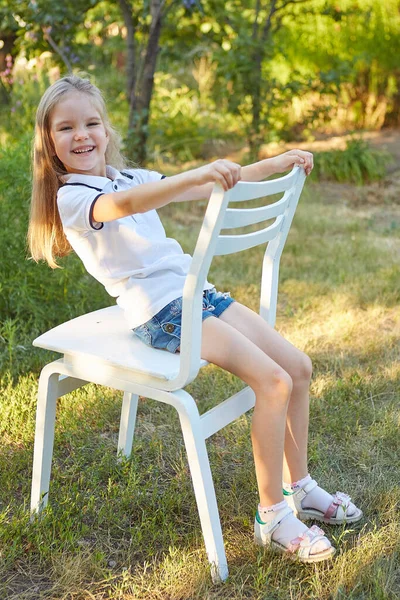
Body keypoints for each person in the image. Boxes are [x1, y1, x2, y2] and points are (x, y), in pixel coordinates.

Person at [28, 74, 362, 563]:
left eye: (91, 123)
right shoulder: (73, 197)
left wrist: (277, 162)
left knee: (297, 368)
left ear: (106, 130)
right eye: (66, 128)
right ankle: (272, 515)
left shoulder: (129, 175)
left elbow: (212, 179)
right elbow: (124, 206)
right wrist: (196, 175)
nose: (82, 135)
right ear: (49, 142)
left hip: (197, 295)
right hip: (163, 314)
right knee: (271, 383)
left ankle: (301, 486)